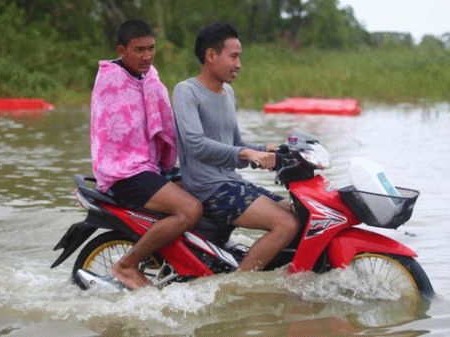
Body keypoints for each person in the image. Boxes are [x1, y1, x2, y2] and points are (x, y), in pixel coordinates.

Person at [172, 22, 299, 271]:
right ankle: (240, 286)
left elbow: (236, 145)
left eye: (239, 57)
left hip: (231, 182)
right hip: (207, 188)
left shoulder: (228, 93)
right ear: (211, 55)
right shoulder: (186, 91)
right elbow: (195, 144)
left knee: (297, 214)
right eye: (234, 56)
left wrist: (268, 148)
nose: (239, 64)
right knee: (286, 224)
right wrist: (245, 153)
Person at [90, 19, 202, 289]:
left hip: (147, 166)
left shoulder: (149, 76)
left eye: (151, 48)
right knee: (190, 210)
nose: (147, 56)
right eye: (139, 50)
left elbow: (163, 120)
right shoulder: (111, 80)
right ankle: (126, 265)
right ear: (122, 50)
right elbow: (117, 135)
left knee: (203, 184)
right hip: (123, 171)